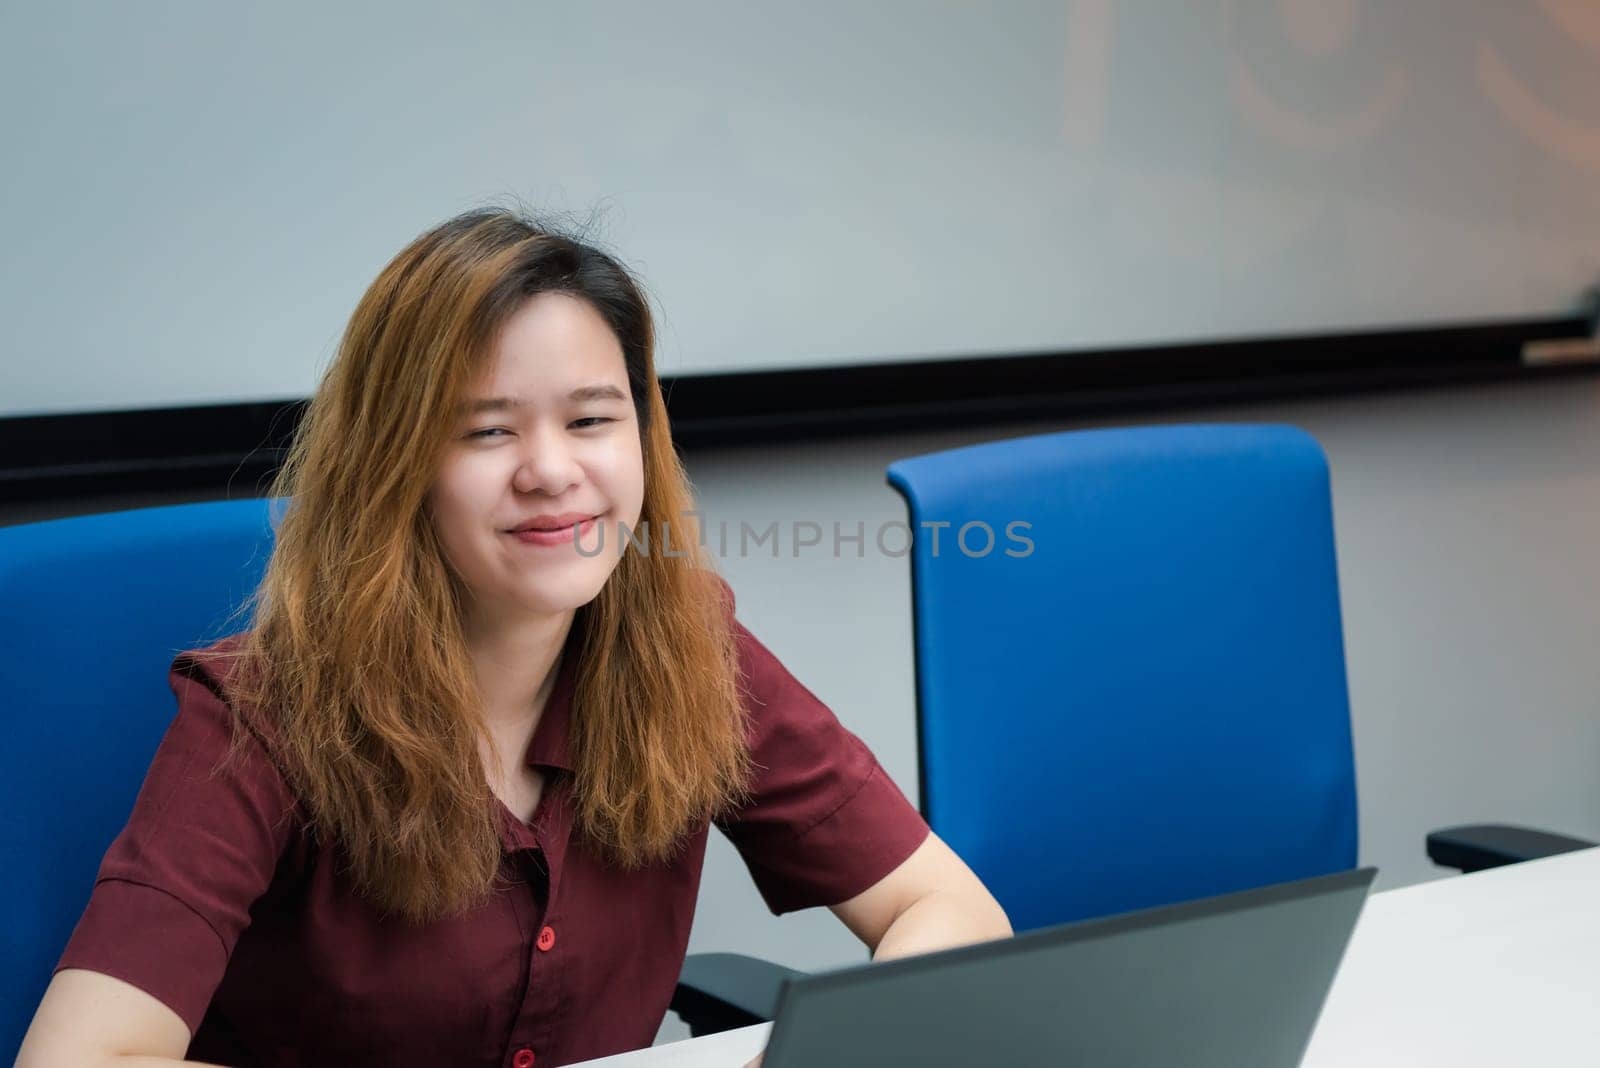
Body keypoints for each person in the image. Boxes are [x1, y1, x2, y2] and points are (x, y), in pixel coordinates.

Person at [16, 208, 1011, 1067]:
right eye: (488, 430)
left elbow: (954, 915)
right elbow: (80, 1056)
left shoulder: (691, 650)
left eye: (590, 419)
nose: (550, 471)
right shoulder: (264, 717)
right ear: (393, 463)